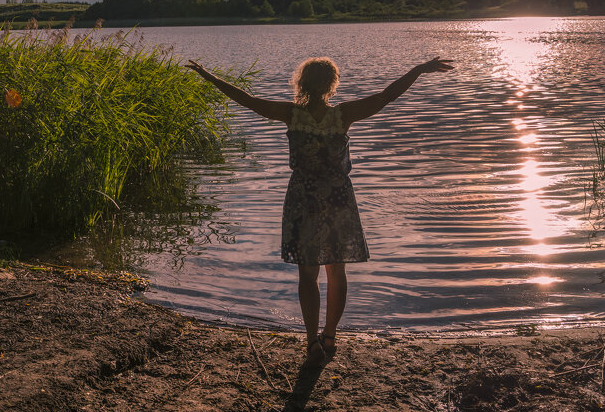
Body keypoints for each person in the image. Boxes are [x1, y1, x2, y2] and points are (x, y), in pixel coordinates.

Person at [186, 55, 454, 364]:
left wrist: (209, 76)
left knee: (307, 274)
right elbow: (387, 96)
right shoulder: (343, 115)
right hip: (338, 199)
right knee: (336, 272)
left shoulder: (291, 115)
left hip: (304, 199)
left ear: (301, 83)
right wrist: (418, 70)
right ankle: (330, 337)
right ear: (331, 85)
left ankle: (311, 341)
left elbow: (247, 100)